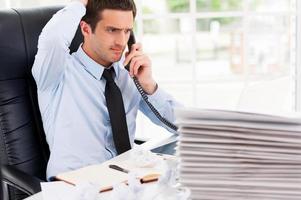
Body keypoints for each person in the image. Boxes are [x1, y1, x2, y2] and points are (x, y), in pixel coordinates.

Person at [32, 0, 181, 180]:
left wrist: (149, 86)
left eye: (127, 31)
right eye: (112, 30)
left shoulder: (129, 73)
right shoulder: (57, 73)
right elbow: (53, 38)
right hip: (75, 187)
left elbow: (181, 125)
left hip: (126, 182)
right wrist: (83, 3)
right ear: (86, 29)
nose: (121, 42)